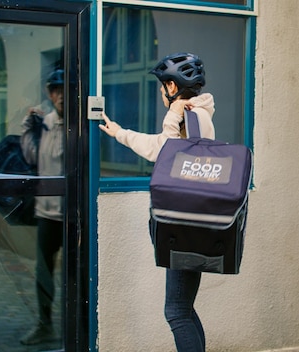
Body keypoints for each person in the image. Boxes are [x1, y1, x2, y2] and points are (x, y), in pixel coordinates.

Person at [99, 52, 214, 352]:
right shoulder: (194, 116)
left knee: (176, 312)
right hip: (192, 224)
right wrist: (120, 134)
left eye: (163, 86)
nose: (161, 92)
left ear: (172, 87)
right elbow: (159, 146)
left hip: (186, 225)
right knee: (184, 309)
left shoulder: (190, 117)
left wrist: (172, 115)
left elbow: (171, 156)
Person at [19, 68, 65, 345]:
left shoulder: (79, 124)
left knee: (75, 275)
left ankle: (78, 326)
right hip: (46, 213)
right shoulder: (44, 123)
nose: (60, 94)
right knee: (44, 273)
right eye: (55, 90)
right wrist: (28, 126)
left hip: (73, 215)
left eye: (64, 89)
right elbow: (31, 157)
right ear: (50, 94)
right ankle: (44, 324)